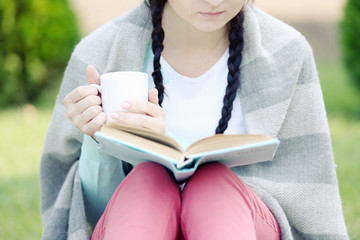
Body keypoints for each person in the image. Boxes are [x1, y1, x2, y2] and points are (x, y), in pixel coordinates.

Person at [40, 0, 349, 239]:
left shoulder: (288, 54)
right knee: (148, 183)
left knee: (212, 186)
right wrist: (99, 137)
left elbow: (309, 193)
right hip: (135, 220)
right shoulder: (100, 53)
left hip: (242, 225)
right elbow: (87, 211)